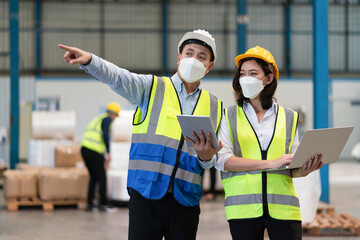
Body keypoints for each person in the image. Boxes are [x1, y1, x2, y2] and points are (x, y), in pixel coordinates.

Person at [59, 29, 223, 240]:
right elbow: (119, 77)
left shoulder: (215, 106)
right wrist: (91, 61)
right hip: (146, 194)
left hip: (186, 199)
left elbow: (212, 160)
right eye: (189, 53)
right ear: (178, 57)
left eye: (202, 57)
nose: (194, 60)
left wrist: (206, 156)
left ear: (209, 66)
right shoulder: (151, 88)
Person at [215, 46, 323, 240]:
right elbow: (222, 160)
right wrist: (271, 163)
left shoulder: (289, 117)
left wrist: (306, 169)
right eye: (242, 74)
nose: (245, 78)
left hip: (284, 210)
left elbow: (292, 167)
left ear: (268, 78)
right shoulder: (228, 115)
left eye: (253, 73)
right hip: (243, 210)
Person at [80, 101, 120, 212]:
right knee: (102, 176)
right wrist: (107, 152)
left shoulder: (98, 118)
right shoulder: (107, 119)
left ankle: (90, 204)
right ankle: (103, 204)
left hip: (84, 149)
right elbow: (105, 135)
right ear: (114, 114)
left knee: (94, 176)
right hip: (94, 150)